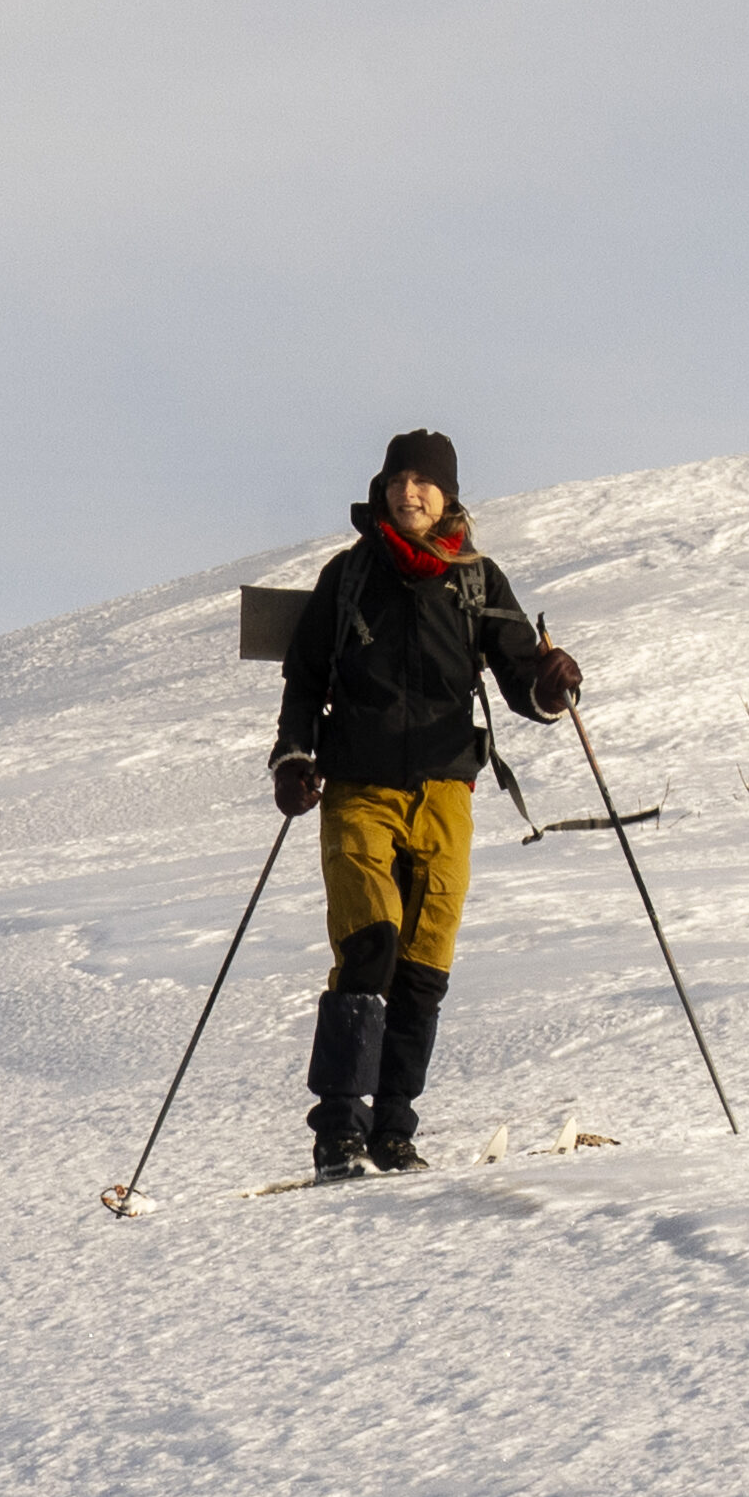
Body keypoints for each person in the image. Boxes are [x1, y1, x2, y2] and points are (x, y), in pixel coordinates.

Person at [264, 430, 585, 1177]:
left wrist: (549, 684)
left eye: (424, 482)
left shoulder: (475, 579)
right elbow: (305, 679)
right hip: (358, 789)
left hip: (446, 790)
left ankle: (394, 1131)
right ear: (382, 490)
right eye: (398, 480)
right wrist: (292, 757)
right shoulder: (348, 577)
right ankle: (340, 1131)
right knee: (370, 943)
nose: (409, 492)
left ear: (448, 496)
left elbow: (518, 678)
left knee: (424, 962)